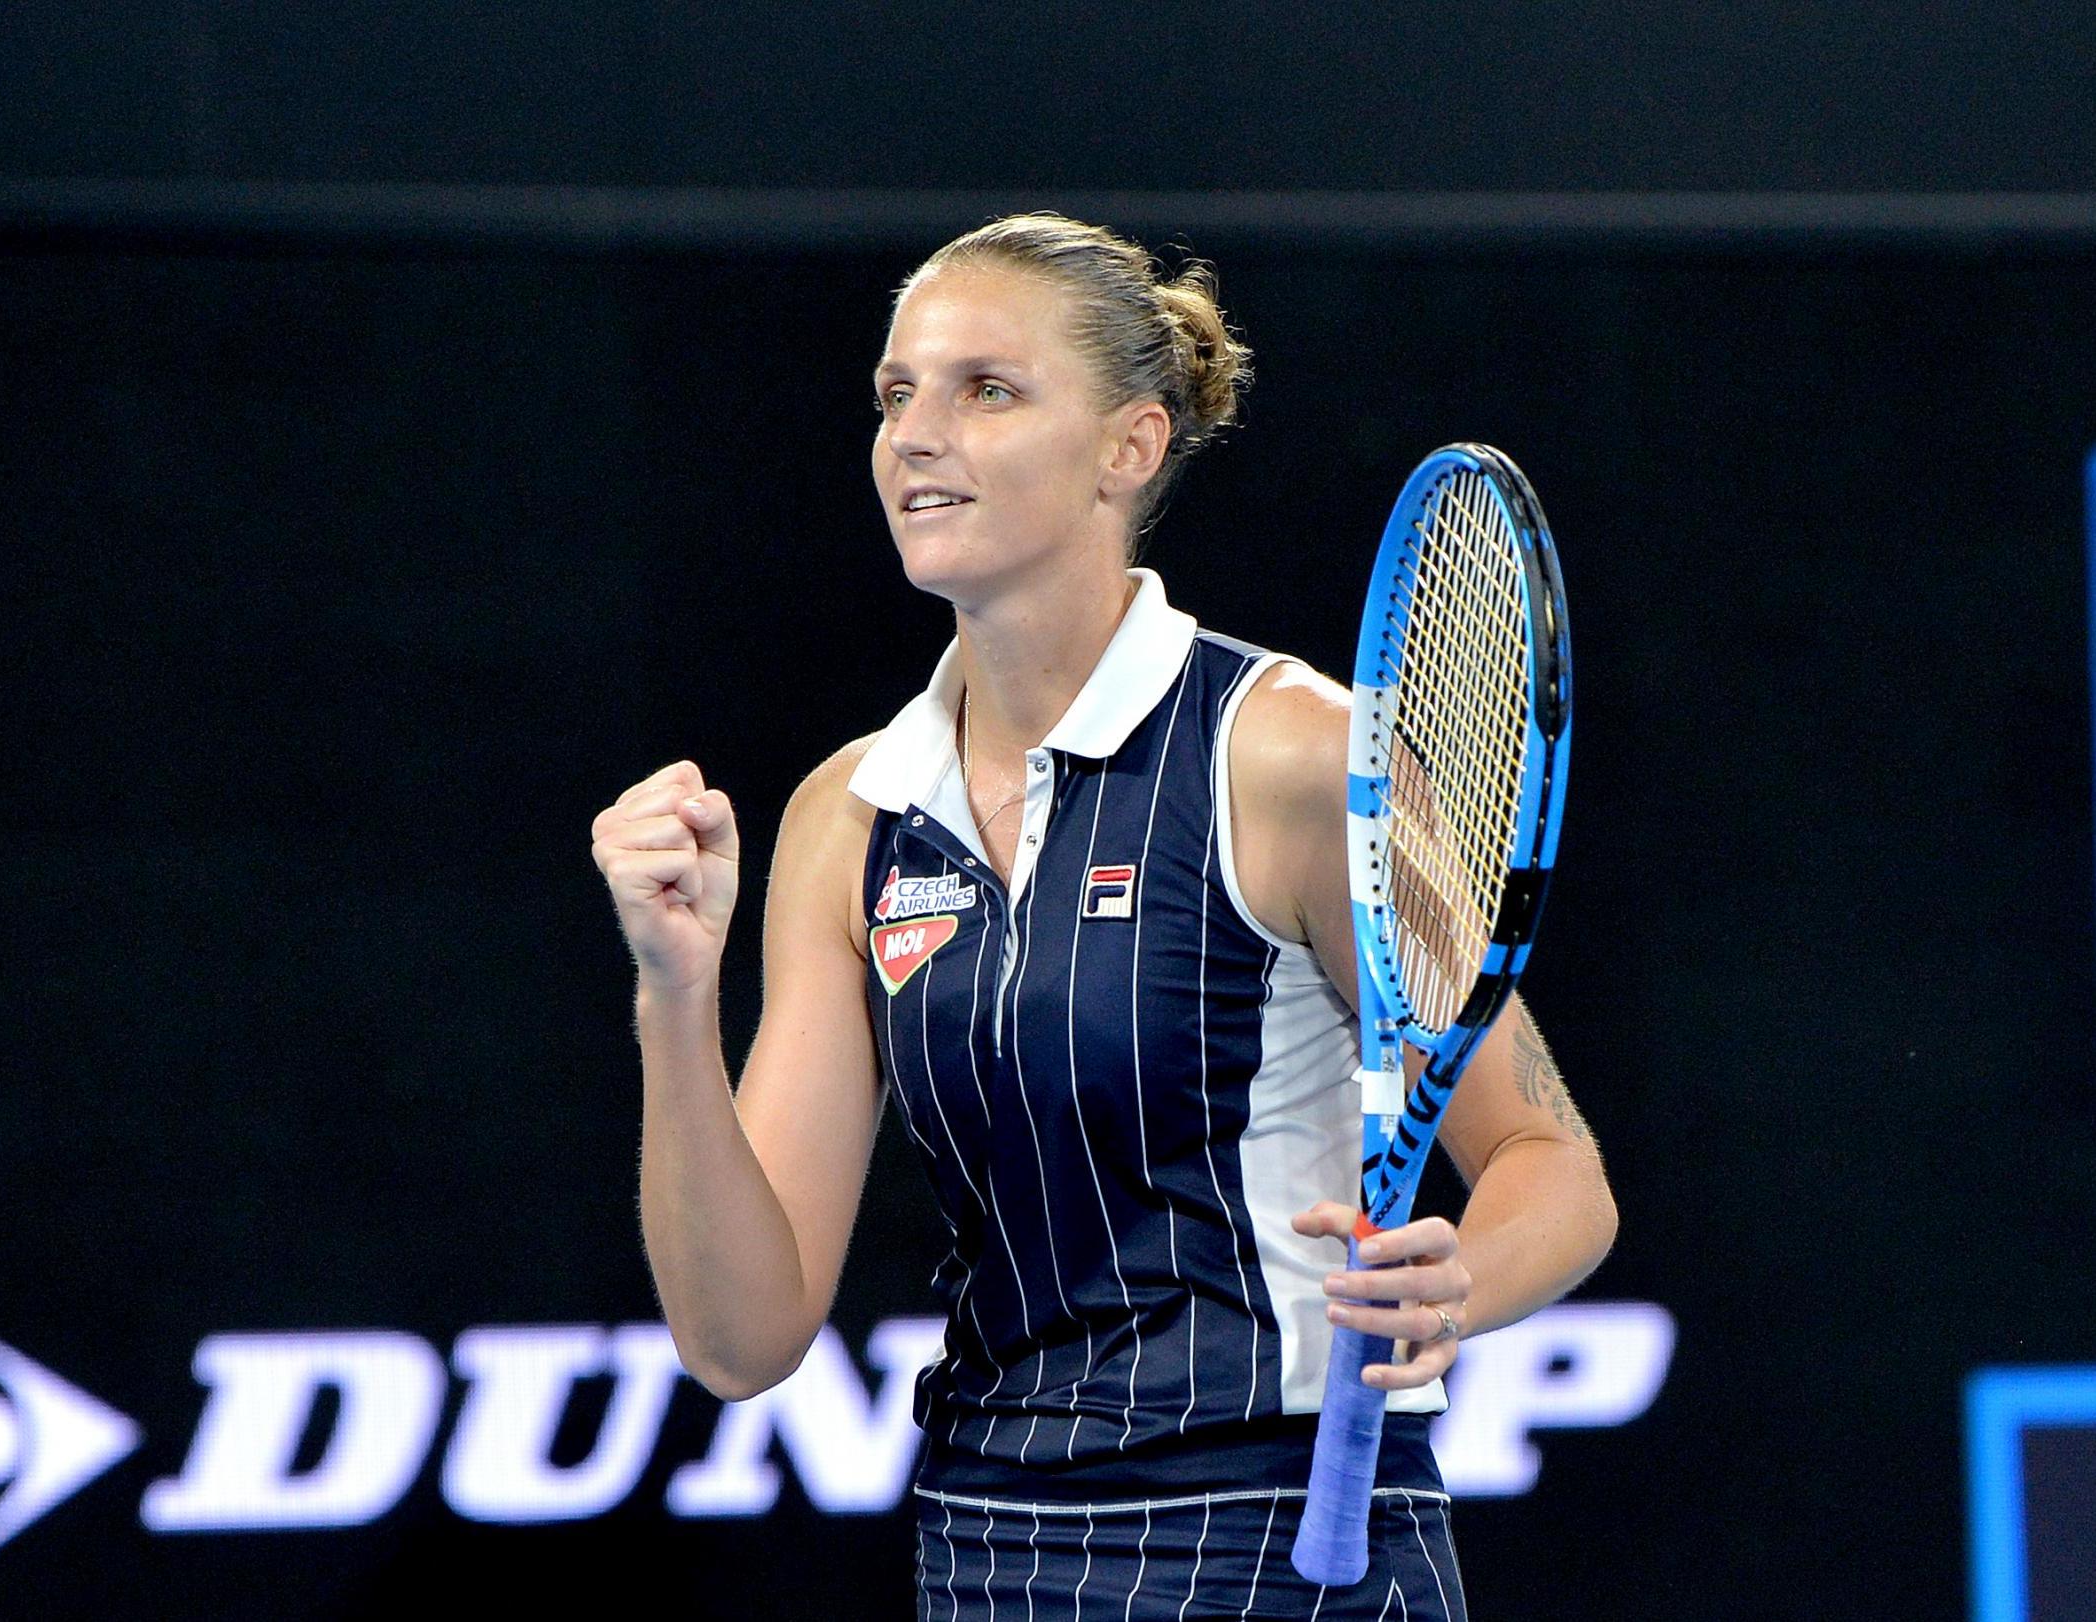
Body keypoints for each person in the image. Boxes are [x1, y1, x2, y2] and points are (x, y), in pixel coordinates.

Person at [590, 213, 1617, 1618]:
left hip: (1283, 1539)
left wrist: (1456, 1283)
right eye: (898, 393)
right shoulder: (853, 816)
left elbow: (1553, 1163)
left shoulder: (1301, 758)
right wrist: (672, 991)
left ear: (1129, 449)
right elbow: (740, 1334)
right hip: (987, 1545)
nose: (915, 434)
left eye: (986, 390)